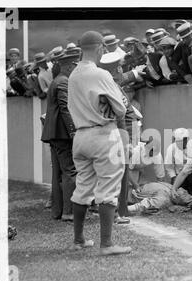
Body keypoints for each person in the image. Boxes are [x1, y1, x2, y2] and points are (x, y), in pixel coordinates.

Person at [68, 30, 131, 255]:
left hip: (80, 135)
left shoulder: (73, 74)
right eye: (103, 47)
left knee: (83, 187)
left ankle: (79, 240)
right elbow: (122, 108)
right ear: (99, 48)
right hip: (103, 133)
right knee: (108, 189)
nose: (104, 50)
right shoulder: (101, 74)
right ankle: (107, 244)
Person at [99, 51, 144, 224]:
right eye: (118, 67)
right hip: (118, 135)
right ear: (113, 70)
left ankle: (122, 209)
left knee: (123, 175)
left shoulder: (113, 83)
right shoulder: (110, 85)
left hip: (124, 133)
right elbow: (122, 116)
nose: (120, 70)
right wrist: (129, 142)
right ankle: (117, 211)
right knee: (117, 176)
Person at [41, 51, 79, 221]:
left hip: (54, 134)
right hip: (62, 134)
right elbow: (65, 108)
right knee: (70, 171)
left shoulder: (57, 81)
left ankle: (58, 211)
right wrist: (73, 131)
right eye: (74, 66)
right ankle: (69, 212)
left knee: (58, 173)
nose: (75, 69)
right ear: (70, 66)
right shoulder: (64, 81)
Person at [127, 181, 192, 215]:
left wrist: (125, 208)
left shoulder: (163, 199)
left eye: (184, 194)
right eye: (186, 192)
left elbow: (143, 205)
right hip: (135, 185)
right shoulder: (173, 188)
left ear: (177, 200)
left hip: (128, 194)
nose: (184, 190)